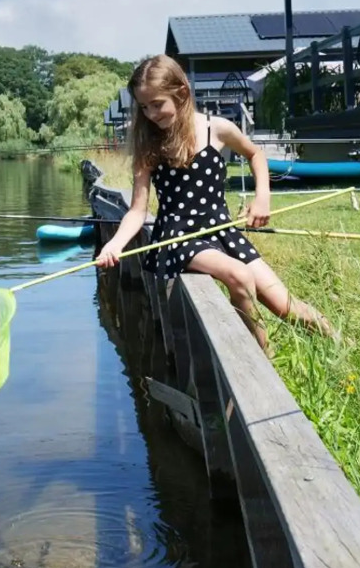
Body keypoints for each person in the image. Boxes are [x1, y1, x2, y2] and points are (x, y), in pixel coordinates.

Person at [95, 55, 336, 352]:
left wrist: (262, 198)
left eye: (157, 104)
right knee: (240, 276)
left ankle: (342, 343)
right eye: (144, 107)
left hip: (222, 230)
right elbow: (137, 210)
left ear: (182, 92)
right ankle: (263, 358)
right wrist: (115, 245)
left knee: (286, 305)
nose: (151, 114)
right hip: (178, 238)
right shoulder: (149, 145)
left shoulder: (217, 128)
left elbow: (255, 154)